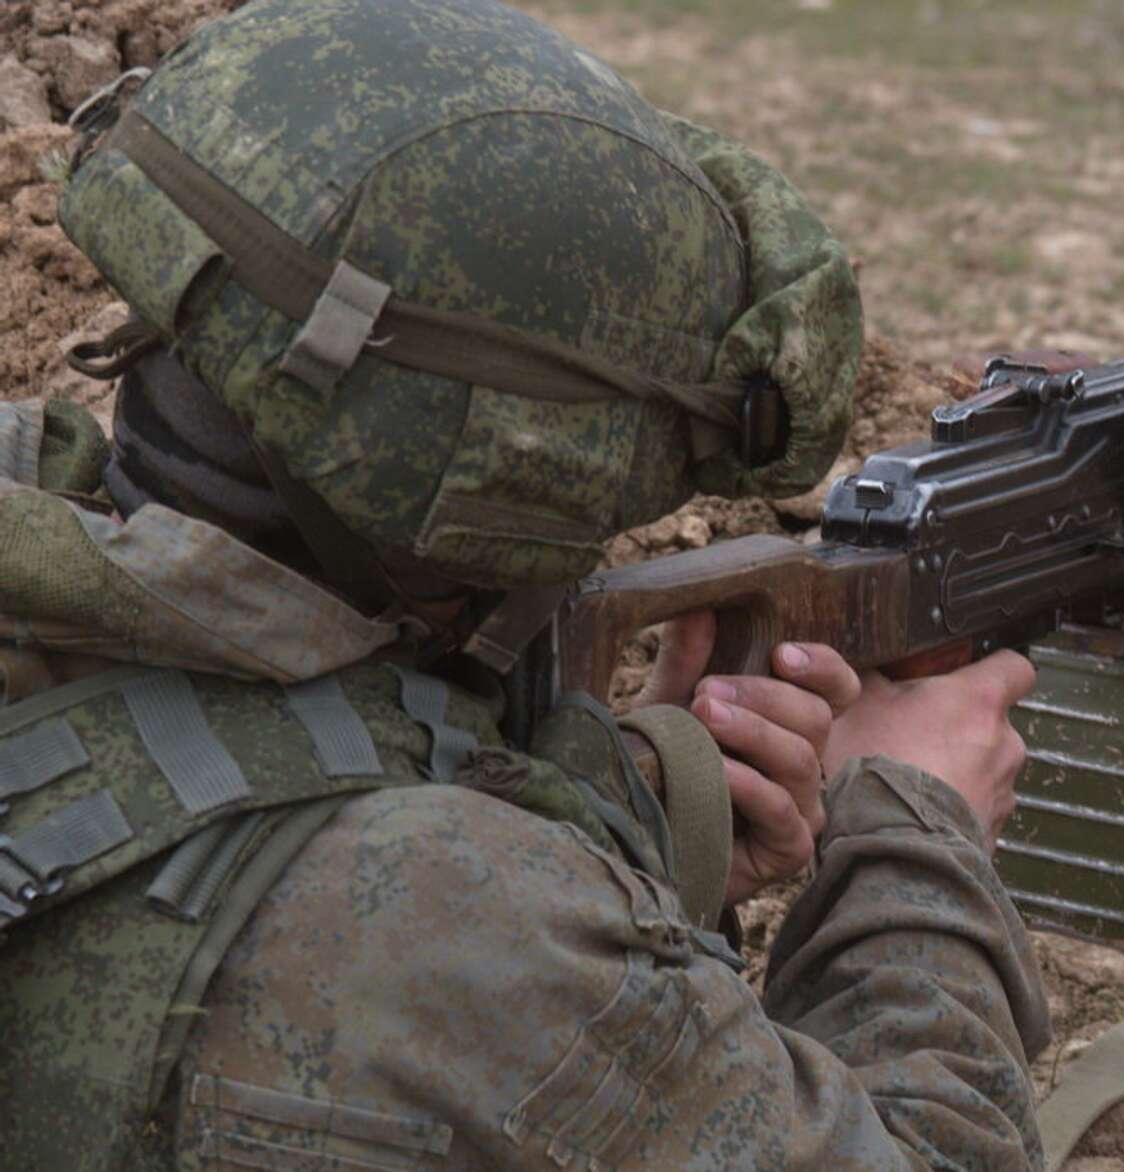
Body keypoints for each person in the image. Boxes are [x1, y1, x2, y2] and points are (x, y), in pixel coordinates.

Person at [0, 0, 1051, 1168]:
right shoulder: (452, 922)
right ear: (503, 502)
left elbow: (187, 759)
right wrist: (916, 834)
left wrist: (636, 809)